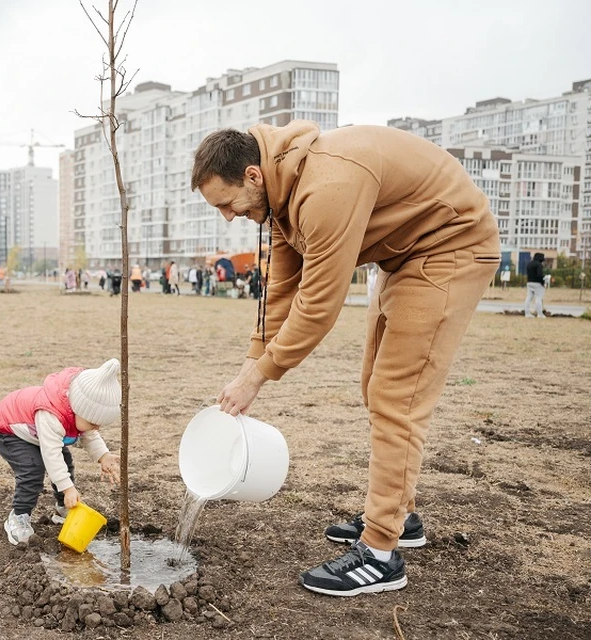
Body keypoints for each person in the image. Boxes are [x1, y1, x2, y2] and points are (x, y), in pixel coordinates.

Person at [192, 121, 499, 597]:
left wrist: (259, 378)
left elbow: (316, 308)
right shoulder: (278, 200)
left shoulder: (325, 188)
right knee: (374, 387)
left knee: (397, 398)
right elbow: (280, 292)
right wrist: (247, 369)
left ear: (252, 175)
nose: (228, 217)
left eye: (226, 204)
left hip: (449, 248)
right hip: (403, 258)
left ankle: (380, 554)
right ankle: (400, 513)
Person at [0, 359, 121, 545]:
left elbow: (89, 434)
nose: (96, 427)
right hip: (11, 430)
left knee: (66, 463)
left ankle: (63, 507)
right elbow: (51, 454)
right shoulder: (51, 415)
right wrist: (68, 488)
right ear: (78, 408)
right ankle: (18, 516)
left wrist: (104, 456)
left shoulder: (78, 408)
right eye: (94, 423)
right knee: (32, 470)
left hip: (37, 433)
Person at [524, 253, 546, 318]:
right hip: (537, 283)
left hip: (529, 282)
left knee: (528, 298)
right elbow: (539, 275)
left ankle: (527, 313)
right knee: (538, 298)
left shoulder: (529, 264)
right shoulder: (539, 265)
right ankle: (540, 314)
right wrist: (543, 282)